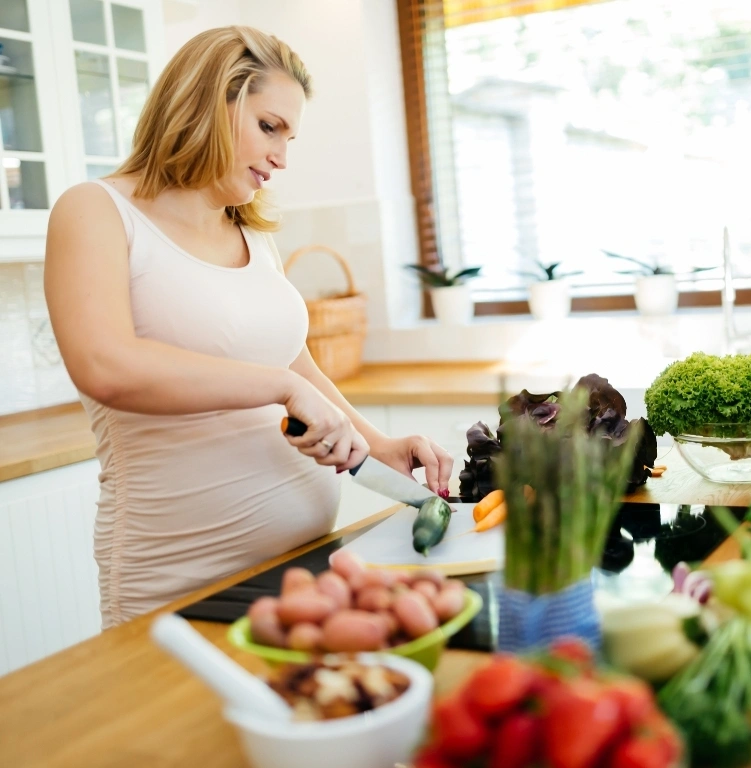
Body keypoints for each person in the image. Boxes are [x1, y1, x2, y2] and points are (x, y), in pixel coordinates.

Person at [44, 26, 453, 628]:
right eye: (269, 127)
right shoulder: (96, 211)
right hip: (180, 581)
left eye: (290, 136)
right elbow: (106, 365)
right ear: (207, 103)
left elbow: (293, 362)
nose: (282, 158)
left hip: (304, 568)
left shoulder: (253, 231)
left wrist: (378, 446)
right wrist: (278, 388)